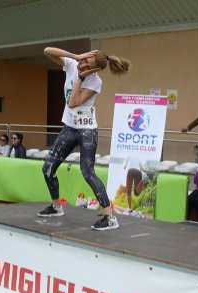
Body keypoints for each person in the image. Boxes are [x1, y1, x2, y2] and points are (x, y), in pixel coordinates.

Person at [37, 46, 130, 231]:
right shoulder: (72, 63)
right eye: (85, 60)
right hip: (70, 128)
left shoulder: (95, 81)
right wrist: (75, 55)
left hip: (87, 131)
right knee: (47, 169)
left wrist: (80, 78)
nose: (84, 64)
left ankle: (109, 217)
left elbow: (73, 103)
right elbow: (47, 51)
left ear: (96, 70)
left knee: (87, 172)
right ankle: (56, 206)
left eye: (89, 64)